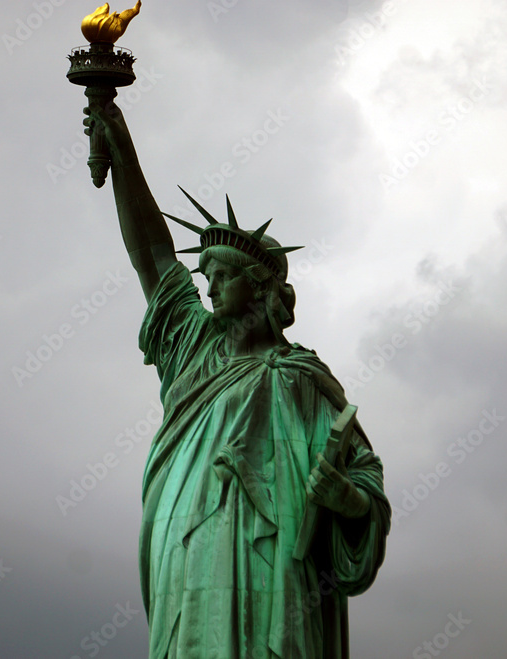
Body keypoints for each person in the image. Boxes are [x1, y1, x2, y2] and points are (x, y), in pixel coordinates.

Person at [83, 101, 391, 659]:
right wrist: (122, 151)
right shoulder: (194, 350)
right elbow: (152, 256)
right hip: (189, 545)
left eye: (223, 275)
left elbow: (363, 473)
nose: (210, 288)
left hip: (275, 560)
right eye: (207, 276)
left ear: (261, 288)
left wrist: (346, 498)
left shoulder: (302, 380)